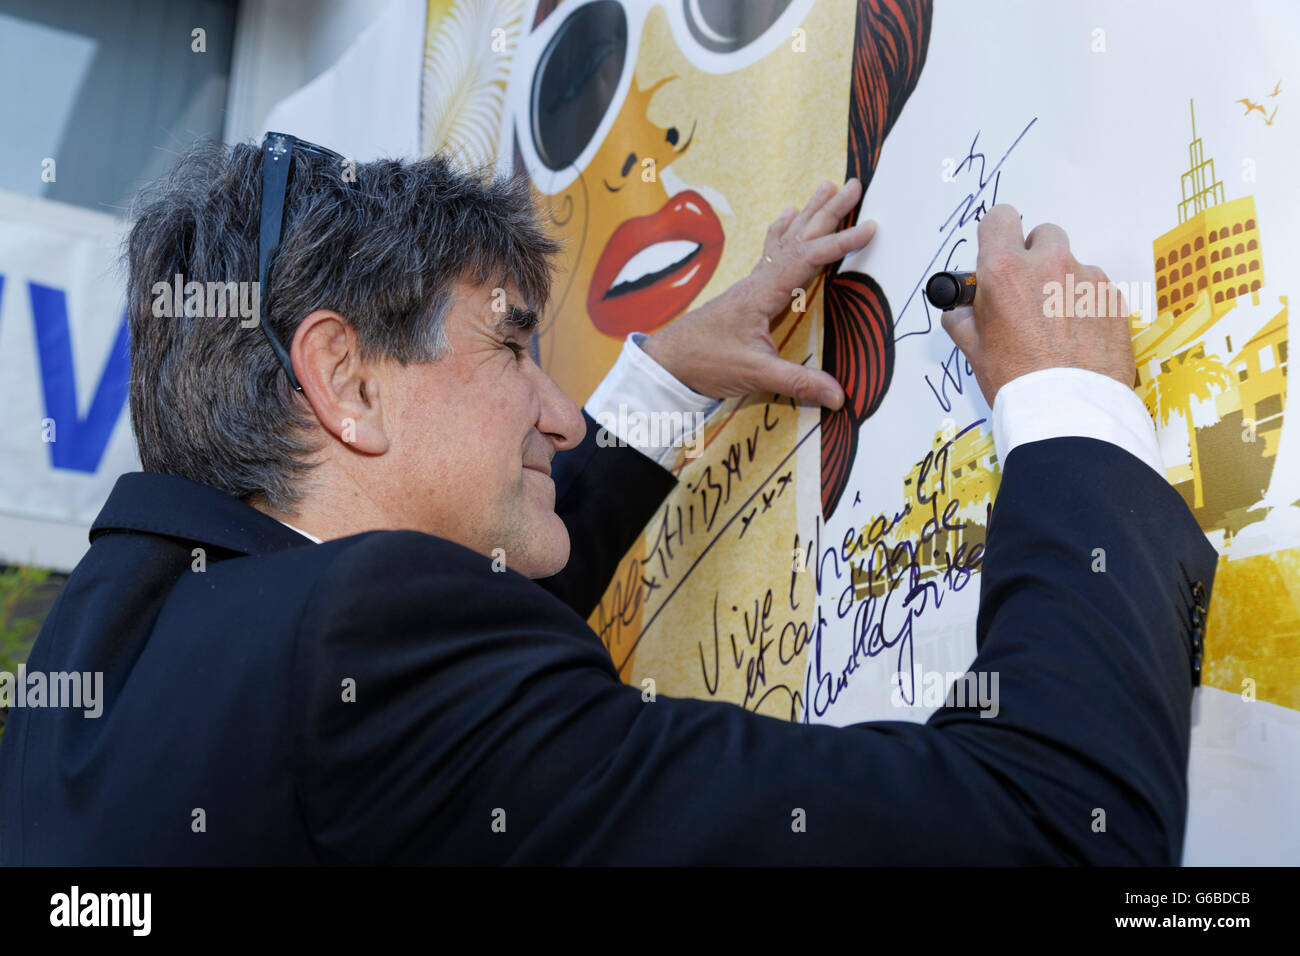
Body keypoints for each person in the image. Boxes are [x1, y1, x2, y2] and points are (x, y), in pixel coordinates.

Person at [0, 138, 1214, 864]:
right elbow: (1062, 828)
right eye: (514, 347)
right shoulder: (366, 664)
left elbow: (434, 665)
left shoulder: (122, 615)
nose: (558, 412)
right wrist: (1067, 404)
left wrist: (660, 388)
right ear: (344, 380)